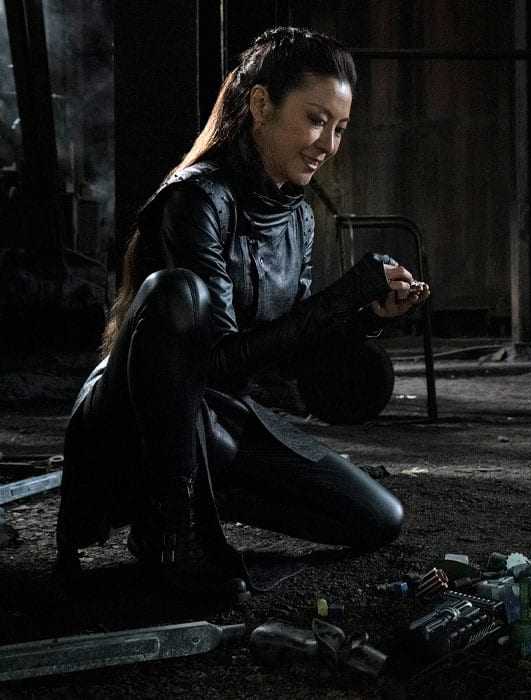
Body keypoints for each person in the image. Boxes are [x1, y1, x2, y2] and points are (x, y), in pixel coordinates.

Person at [56, 27, 429, 599]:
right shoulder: (197, 198)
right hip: (134, 418)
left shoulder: (297, 215)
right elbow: (213, 363)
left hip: (220, 420)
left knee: (379, 519)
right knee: (177, 292)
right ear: (259, 105)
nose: (329, 144)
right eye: (316, 120)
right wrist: (342, 294)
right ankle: (172, 532)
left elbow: (281, 357)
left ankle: (198, 503)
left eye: (340, 128)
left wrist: (367, 315)